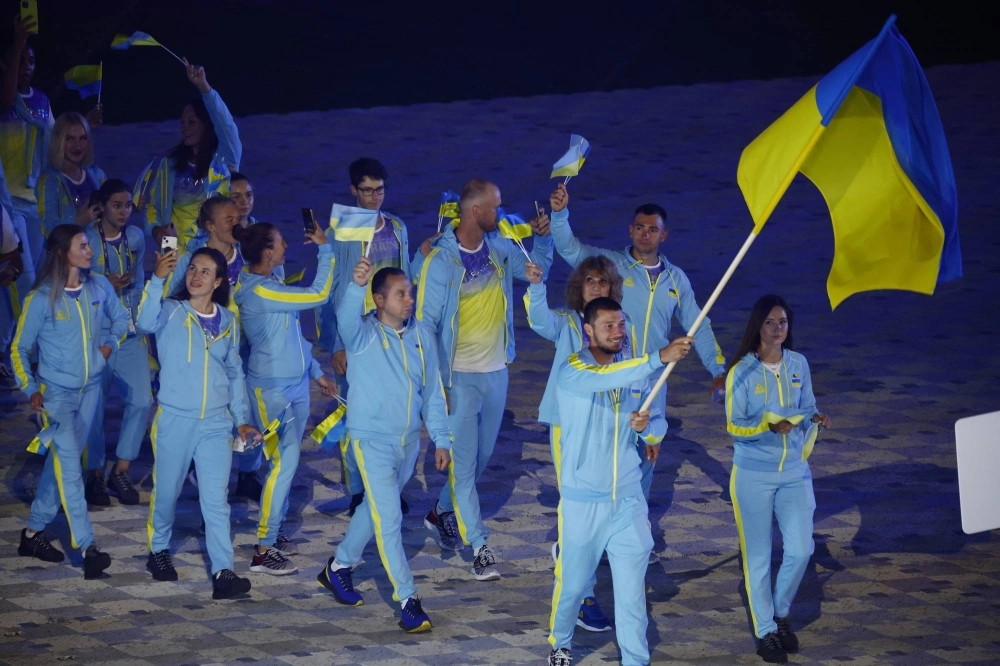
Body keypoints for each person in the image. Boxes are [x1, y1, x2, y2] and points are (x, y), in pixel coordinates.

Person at [547, 183, 727, 506]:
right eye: (640, 228)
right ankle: (592, 529)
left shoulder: (676, 280)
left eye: (653, 230)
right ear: (630, 231)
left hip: (653, 384)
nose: (646, 235)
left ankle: (634, 529)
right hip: (613, 375)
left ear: (664, 235)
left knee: (646, 457)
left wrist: (718, 369)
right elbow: (570, 249)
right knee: (606, 452)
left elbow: (699, 325)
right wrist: (559, 214)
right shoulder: (610, 265)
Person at [416, 178, 552, 580]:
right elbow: (425, 323)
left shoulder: (499, 247)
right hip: (458, 379)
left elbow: (534, 272)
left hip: (496, 373)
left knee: (480, 461)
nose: (501, 211)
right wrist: (434, 381)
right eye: (496, 206)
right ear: (477, 212)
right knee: (462, 466)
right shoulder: (441, 261)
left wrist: (542, 241)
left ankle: (441, 512)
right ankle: (479, 546)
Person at [547, 297, 692, 666]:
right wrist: (658, 357)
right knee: (573, 586)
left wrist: (649, 430)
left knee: (631, 595)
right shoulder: (572, 369)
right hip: (582, 503)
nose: (616, 332)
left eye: (620, 325)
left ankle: (635, 660)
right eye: (608, 325)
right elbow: (606, 378)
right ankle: (561, 644)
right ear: (588, 330)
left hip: (627, 500)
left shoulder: (635, 373)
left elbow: (657, 427)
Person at [317, 258, 452, 632]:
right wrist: (354, 286)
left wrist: (440, 438)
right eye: (401, 294)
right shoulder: (361, 335)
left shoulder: (423, 336)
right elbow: (344, 317)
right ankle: (409, 602)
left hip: (408, 443)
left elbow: (433, 395)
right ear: (379, 299)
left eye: (410, 293)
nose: (410, 299)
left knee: (376, 510)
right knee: (390, 519)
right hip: (370, 441)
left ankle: (338, 567)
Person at [136, 245, 258, 599]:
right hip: (175, 419)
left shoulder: (229, 321)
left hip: (216, 424)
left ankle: (223, 573)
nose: (196, 276)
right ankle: (158, 551)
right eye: (192, 269)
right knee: (168, 490)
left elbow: (235, 372)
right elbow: (143, 322)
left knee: (216, 500)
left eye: (205, 271)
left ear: (219, 281)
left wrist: (243, 420)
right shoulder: (171, 311)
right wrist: (158, 278)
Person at [524, 256, 636, 633]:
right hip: (566, 423)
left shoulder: (620, 326)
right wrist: (536, 286)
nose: (597, 288)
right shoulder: (568, 321)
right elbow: (538, 320)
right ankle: (583, 592)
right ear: (579, 286)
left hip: (610, 422)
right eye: (590, 281)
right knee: (573, 499)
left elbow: (634, 372)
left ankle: (580, 559)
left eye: (603, 282)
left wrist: (649, 428)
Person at [11, 224, 127, 579]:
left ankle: (32, 534)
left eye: (89, 244)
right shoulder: (42, 298)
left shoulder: (99, 286)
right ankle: (88, 548)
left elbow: (121, 320)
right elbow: (17, 349)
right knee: (71, 471)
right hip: (55, 398)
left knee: (60, 466)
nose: (90, 250)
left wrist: (104, 353)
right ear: (64, 252)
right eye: (83, 245)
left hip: (91, 391)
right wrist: (29, 387)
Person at [724, 295, 831, 664]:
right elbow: (734, 426)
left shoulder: (799, 363)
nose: (777, 328)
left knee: (802, 549)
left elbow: (809, 404)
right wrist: (768, 425)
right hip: (753, 474)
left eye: (783, 322)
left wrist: (816, 417)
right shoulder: (742, 371)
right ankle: (766, 630)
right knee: (758, 558)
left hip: (795, 473)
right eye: (770, 322)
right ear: (758, 326)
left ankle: (780, 613)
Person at [235, 221, 338, 574]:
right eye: (280, 241)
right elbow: (318, 295)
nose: (286, 244)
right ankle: (263, 550)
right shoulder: (259, 291)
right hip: (272, 389)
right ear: (267, 252)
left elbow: (292, 336)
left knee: (284, 464)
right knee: (284, 461)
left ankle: (273, 532)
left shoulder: (273, 283)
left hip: (296, 385)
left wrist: (316, 372)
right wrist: (325, 249)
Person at [170, 196, 282, 499]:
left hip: (248, 346)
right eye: (228, 220)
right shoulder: (192, 261)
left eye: (238, 218)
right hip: (207, 351)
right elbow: (169, 303)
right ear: (209, 226)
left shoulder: (246, 256)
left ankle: (247, 472)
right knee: (213, 412)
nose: (238, 223)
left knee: (250, 413)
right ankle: (200, 472)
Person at [318, 157, 412, 516]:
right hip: (356, 334)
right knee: (356, 415)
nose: (375, 197)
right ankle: (358, 490)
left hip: (393, 333)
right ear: (353, 190)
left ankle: (388, 484)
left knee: (394, 411)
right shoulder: (342, 229)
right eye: (368, 190)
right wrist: (337, 344)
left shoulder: (398, 227)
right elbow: (332, 287)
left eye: (381, 190)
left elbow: (404, 280)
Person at [81, 179, 150, 507]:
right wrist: (100, 282)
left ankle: (120, 469)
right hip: (95, 335)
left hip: (129, 332)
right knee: (92, 407)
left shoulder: (135, 238)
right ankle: (93, 473)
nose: (124, 212)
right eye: (117, 205)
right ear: (102, 206)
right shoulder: (87, 240)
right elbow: (70, 280)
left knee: (141, 400)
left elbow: (138, 283)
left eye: (128, 206)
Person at [145, 59, 241, 253]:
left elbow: (226, 126)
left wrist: (204, 88)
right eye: (182, 122)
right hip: (172, 246)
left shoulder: (223, 160)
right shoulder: (169, 164)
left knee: (208, 280)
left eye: (192, 122)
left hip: (212, 247)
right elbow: (153, 205)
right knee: (167, 281)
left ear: (206, 124)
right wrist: (155, 230)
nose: (184, 128)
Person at [36, 112, 107, 236]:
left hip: (97, 253)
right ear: (58, 141)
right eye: (70, 139)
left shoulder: (97, 175)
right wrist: (78, 221)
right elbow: (48, 230)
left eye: (83, 138)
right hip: (66, 253)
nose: (77, 145)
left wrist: (128, 207)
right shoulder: (49, 181)